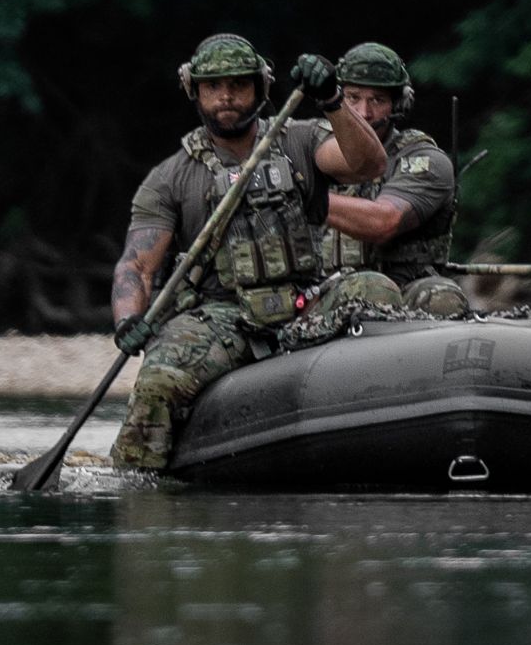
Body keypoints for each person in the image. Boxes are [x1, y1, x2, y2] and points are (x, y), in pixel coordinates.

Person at [108, 34, 396, 471]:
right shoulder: (169, 178)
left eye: (238, 85)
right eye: (213, 87)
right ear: (195, 91)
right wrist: (128, 318)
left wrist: (333, 100)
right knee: (160, 379)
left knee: (377, 290)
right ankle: (139, 483)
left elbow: (368, 165)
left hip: (308, 302)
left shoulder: (301, 139)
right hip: (227, 316)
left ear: (260, 88)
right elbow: (136, 265)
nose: (226, 97)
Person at [315, 42, 467, 317]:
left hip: (405, 290)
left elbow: (383, 221)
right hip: (324, 292)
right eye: (353, 98)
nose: (363, 113)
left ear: (398, 105)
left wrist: (305, 195)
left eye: (377, 100)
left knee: (441, 296)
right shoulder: (314, 149)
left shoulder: (423, 159)